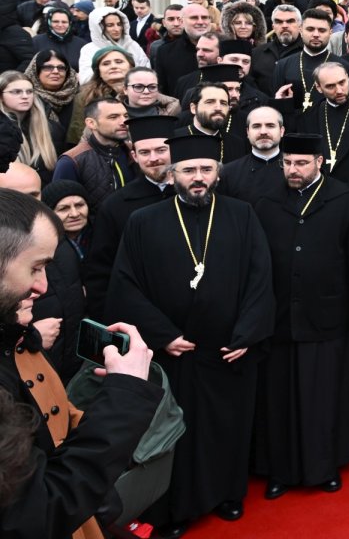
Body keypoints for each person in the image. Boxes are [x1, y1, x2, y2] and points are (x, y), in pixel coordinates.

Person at [106, 135, 275, 536]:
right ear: (172, 174)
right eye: (188, 170)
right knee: (175, 432)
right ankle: (177, 507)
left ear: (217, 172)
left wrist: (246, 334)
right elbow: (125, 286)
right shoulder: (143, 221)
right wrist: (163, 335)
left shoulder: (242, 214)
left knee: (227, 425)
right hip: (173, 352)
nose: (197, 178)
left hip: (226, 350)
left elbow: (261, 277)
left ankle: (226, 494)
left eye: (205, 169)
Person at [0, 189, 159, 539]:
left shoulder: (14, 338)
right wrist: (125, 395)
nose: (42, 286)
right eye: (35, 267)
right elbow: (39, 512)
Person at [252, 133, 349, 498]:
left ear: (319, 163)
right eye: (288, 163)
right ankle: (280, 471)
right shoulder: (266, 202)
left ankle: (325, 468)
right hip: (278, 319)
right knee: (279, 400)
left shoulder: (343, 200)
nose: (293, 169)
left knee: (323, 397)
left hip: (326, 316)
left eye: (301, 163)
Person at [81, 115, 175, 319]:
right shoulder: (116, 205)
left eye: (161, 150)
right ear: (134, 155)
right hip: (137, 316)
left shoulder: (194, 196)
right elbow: (101, 270)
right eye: (144, 152)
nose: (153, 158)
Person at [291, 62, 349, 193]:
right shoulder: (309, 117)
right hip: (317, 192)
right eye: (330, 86)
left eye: (342, 82)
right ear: (319, 88)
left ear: (348, 78)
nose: (339, 90)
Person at [52, 98, 133, 210]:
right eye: (113, 117)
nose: (123, 121)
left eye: (126, 116)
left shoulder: (134, 153)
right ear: (91, 123)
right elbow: (62, 208)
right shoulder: (71, 161)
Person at [219, 105, 286, 200]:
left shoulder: (296, 170)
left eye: (270, 126)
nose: (263, 132)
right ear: (247, 132)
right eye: (256, 126)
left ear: (281, 131)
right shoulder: (228, 173)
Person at [76, 7, 149, 86]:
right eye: (110, 25)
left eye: (119, 24)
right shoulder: (89, 49)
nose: (117, 29)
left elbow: (146, 72)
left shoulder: (132, 45)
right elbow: (86, 80)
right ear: (99, 27)